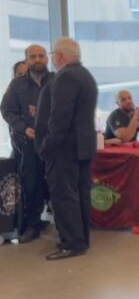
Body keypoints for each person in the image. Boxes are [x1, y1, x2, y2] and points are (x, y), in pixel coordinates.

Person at [35, 37, 98, 261]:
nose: (52, 59)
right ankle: (81, 239)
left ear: (59, 56)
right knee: (80, 194)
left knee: (63, 195)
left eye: (52, 54)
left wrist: (47, 146)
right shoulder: (86, 75)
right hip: (81, 146)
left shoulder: (65, 77)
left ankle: (72, 243)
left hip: (64, 148)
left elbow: (60, 117)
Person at [1, 44, 54, 243]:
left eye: (41, 56)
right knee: (32, 183)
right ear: (27, 60)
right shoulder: (17, 85)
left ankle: (65, 225)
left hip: (55, 143)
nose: (38, 59)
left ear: (47, 59)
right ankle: (32, 224)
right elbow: (7, 110)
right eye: (33, 56)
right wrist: (23, 127)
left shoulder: (57, 81)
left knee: (58, 184)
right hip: (29, 143)